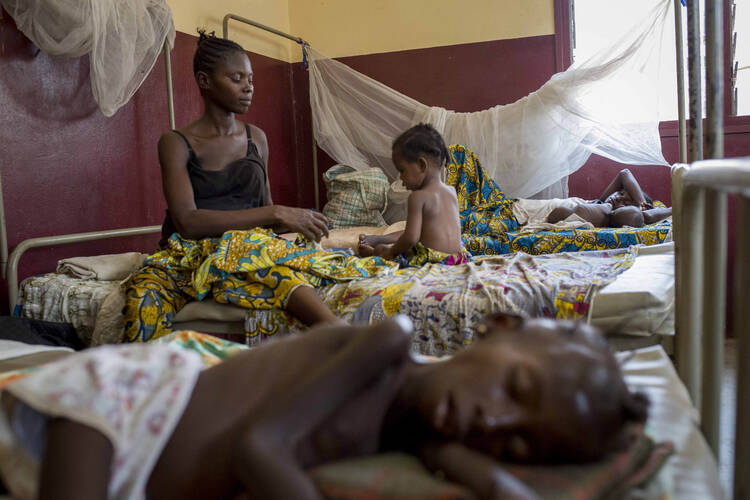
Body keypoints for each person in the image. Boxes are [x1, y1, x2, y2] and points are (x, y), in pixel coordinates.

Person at [0, 314, 648, 499]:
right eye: (516, 390)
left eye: (517, 441)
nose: (495, 422)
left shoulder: (424, 428)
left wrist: (498, 476)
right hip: (122, 410)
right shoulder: (389, 346)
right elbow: (262, 449)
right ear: (497, 327)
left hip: (140, 476)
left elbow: (455, 460)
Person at [122, 32, 359, 341]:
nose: (248, 87)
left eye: (250, 79)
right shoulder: (176, 143)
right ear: (205, 81)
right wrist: (277, 212)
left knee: (269, 263)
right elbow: (188, 222)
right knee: (142, 298)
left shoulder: (256, 139)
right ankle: (157, 382)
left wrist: (296, 229)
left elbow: (269, 224)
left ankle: (336, 332)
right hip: (189, 253)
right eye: (236, 78)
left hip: (246, 248)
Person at [358, 124, 469, 267]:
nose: (401, 178)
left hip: (433, 261)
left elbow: (410, 238)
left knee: (384, 249)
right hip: (458, 259)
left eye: (402, 170)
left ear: (422, 165)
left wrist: (392, 251)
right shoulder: (451, 191)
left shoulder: (418, 197)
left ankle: (375, 254)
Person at [546, 169, 672, 228]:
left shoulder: (609, 212)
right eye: (621, 194)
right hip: (545, 207)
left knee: (633, 215)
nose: (618, 199)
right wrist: (641, 203)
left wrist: (639, 210)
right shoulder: (601, 201)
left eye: (625, 203)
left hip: (546, 211)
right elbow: (624, 173)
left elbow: (635, 216)